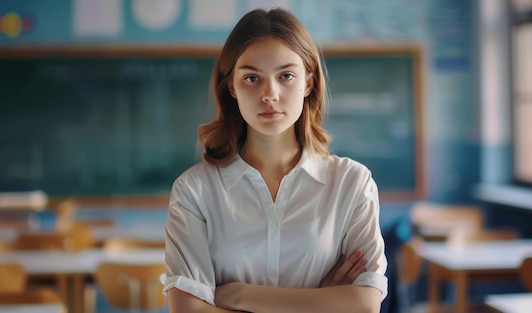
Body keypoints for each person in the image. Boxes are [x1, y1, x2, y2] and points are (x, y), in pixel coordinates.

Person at [163, 7, 387, 313]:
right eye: (252, 78)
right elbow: (188, 310)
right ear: (231, 86)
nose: (270, 94)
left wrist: (239, 295)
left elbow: (364, 306)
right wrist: (321, 302)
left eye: (286, 76)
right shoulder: (194, 191)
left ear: (308, 82)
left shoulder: (352, 184)